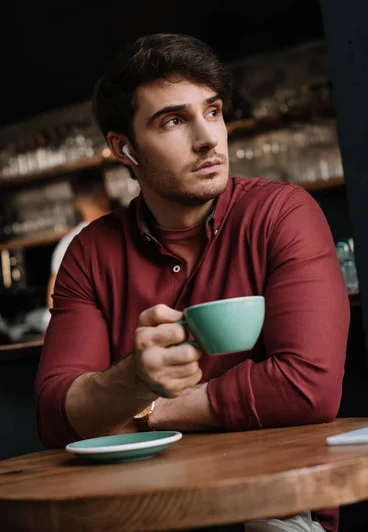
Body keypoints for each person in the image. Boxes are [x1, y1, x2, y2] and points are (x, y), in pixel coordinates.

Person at [35, 33, 349, 532]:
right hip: (135, 511)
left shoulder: (282, 213)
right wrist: (132, 378)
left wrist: (147, 408)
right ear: (125, 148)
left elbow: (308, 385)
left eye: (213, 111)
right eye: (174, 120)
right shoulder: (90, 252)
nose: (208, 138)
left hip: (269, 504)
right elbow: (56, 416)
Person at [47, 169, 111, 308]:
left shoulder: (68, 244)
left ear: (76, 203)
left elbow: (53, 302)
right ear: (106, 192)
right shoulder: (131, 228)